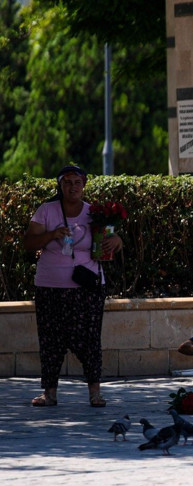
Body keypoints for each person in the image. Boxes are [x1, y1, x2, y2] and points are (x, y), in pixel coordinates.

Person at [23, 164, 123, 407]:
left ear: (84, 185)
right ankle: (50, 393)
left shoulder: (95, 213)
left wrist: (116, 241)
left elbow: (110, 241)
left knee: (89, 339)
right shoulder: (46, 210)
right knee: (50, 339)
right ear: (60, 185)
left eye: (77, 182)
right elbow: (28, 243)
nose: (72, 187)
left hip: (87, 286)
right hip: (50, 285)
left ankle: (95, 393)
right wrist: (52, 235)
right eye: (67, 182)